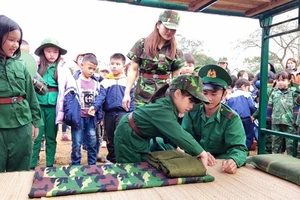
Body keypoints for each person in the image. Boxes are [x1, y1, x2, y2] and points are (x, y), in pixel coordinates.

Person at [115, 75, 210, 165]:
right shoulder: (164, 109)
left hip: (139, 136)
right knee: (130, 171)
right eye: (190, 101)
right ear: (177, 93)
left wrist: (179, 147)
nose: (191, 107)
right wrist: (201, 152)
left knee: (141, 167)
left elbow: (168, 132)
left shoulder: (169, 106)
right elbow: (178, 133)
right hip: (128, 135)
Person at [182, 65, 248, 174]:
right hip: (196, 160)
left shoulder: (231, 118)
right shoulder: (191, 111)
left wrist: (234, 160)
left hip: (220, 165)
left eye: (214, 94)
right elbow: (184, 138)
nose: (208, 98)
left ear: (224, 94)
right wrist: (199, 152)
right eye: (205, 93)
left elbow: (239, 148)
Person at [0, 15, 42, 172]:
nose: (15, 45)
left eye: (18, 41)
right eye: (11, 39)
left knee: (20, 170)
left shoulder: (21, 65)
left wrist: (35, 122)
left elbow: (31, 96)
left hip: (22, 125)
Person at [122, 9, 185, 109]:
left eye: (173, 29)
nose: (169, 32)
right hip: (142, 95)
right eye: (167, 27)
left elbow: (176, 78)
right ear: (158, 25)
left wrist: (177, 102)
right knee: (140, 123)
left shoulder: (176, 51)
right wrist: (126, 93)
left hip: (163, 96)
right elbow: (133, 69)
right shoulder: (142, 44)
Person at [30, 38, 72, 169]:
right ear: (43, 52)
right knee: (35, 136)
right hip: (37, 105)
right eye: (48, 51)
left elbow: (69, 87)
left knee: (51, 136)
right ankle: (31, 165)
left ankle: (49, 164)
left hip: (54, 106)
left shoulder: (63, 68)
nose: (52, 54)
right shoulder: (35, 66)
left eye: (55, 51)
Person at [64, 54, 106, 165]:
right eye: (89, 68)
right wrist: (69, 116)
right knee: (77, 142)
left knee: (92, 141)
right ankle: (76, 164)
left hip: (91, 118)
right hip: (78, 118)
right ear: (82, 65)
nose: (91, 71)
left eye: (94, 69)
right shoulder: (74, 81)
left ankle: (92, 165)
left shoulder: (96, 83)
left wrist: (98, 114)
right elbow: (68, 99)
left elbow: (100, 99)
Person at [101, 53, 134, 163]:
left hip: (123, 113)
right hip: (108, 114)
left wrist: (132, 113)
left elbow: (132, 98)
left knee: (121, 135)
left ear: (124, 66)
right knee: (109, 136)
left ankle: (122, 159)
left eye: (118, 64)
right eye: (112, 64)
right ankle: (111, 159)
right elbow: (101, 99)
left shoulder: (128, 81)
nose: (114, 66)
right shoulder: (105, 82)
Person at [268, 70, 300, 157]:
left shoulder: (293, 93)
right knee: (275, 143)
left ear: (289, 81)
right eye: (278, 80)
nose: (280, 82)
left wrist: (295, 121)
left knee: (291, 143)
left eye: (283, 80)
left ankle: (291, 160)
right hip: (276, 121)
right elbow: (270, 106)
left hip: (290, 122)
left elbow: (296, 107)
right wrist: (268, 119)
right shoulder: (274, 92)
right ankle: (275, 159)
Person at [226, 78, 257, 150]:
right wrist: (253, 115)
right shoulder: (246, 95)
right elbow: (252, 106)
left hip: (234, 118)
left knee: (236, 134)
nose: (248, 89)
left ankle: (236, 150)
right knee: (248, 134)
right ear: (243, 86)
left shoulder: (231, 96)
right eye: (248, 87)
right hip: (246, 118)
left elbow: (227, 107)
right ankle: (245, 150)